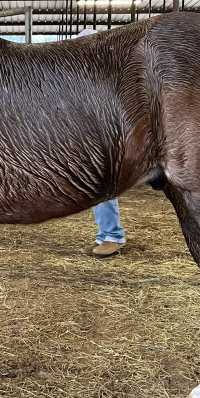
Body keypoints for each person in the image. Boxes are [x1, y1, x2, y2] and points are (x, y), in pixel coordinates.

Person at [75, 29, 127, 258]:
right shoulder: (91, 73)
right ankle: (107, 234)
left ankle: (112, 236)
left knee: (103, 183)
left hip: (105, 136)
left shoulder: (106, 73)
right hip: (95, 135)